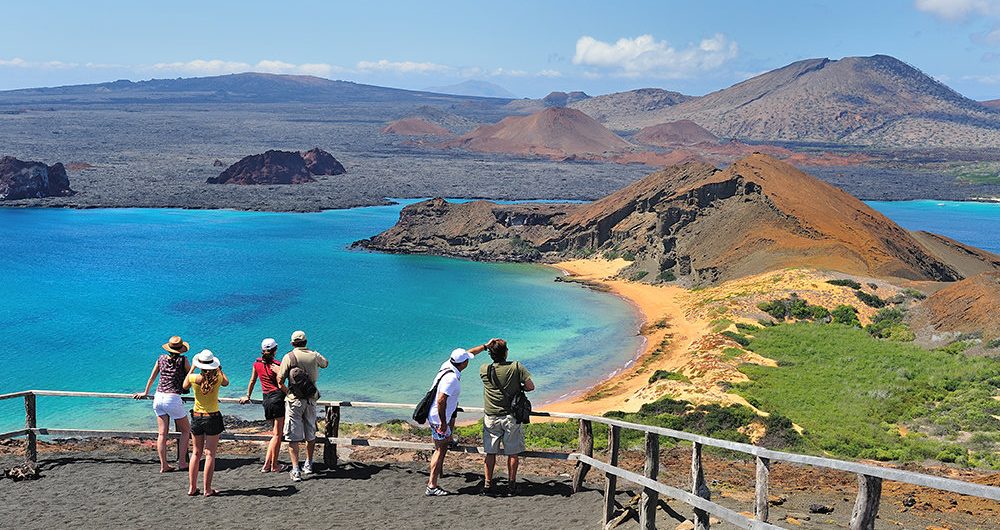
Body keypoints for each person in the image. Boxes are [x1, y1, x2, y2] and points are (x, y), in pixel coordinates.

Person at [424, 343, 488, 496]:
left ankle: (449, 438)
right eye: (467, 360)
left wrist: (485, 346)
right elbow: (441, 400)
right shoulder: (451, 378)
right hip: (439, 418)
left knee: (443, 445)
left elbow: (470, 352)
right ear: (463, 364)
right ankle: (432, 485)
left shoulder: (448, 364)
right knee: (440, 450)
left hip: (440, 414)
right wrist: (443, 424)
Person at [479, 338, 534, 496]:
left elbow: (468, 355)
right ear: (506, 352)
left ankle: (488, 484)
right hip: (510, 416)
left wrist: (485, 346)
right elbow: (530, 386)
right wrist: (518, 386)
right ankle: (511, 485)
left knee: (490, 453)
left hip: (491, 416)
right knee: (512, 453)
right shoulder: (516, 366)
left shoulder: (484, 369)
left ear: (490, 354)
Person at [132, 335, 193, 473]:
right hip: (172, 398)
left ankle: (164, 465)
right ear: (181, 349)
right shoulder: (183, 360)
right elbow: (190, 376)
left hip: (158, 397)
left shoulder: (161, 358)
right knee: (185, 431)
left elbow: (152, 377)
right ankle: (182, 462)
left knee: (162, 434)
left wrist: (145, 392)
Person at [276, 330, 328, 482]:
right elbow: (325, 364)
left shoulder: (289, 357)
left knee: (293, 436)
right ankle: (309, 464)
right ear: (306, 342)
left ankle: (296, 469)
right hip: (311, 399)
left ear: (292, 343)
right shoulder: (313, 355)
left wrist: (288, 393)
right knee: (310, 432)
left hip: (294, 400)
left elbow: (280, 380)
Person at [183, 349, 229, 497]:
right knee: (210, 454)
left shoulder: (193, 378)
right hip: (213, 417)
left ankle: (192, 487)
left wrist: (192, 368)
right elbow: (227, 383)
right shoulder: (217, 379)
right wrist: (220, 370)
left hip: (197, 417)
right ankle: (207, 489)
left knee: (196, 453)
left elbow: (184, 386)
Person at [239, 338, 288, 473]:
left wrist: (247, 396)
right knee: (277, 435)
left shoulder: (257, 364)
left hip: (266, 399)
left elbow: (252, 381)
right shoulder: (277, 365)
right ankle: (273, 465)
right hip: (277, 398)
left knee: (275, 434)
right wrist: (290, 393)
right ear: (275, 350)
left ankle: (267, 465)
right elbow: (280, 384)